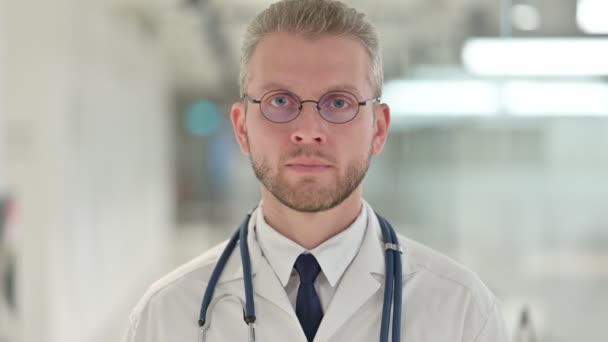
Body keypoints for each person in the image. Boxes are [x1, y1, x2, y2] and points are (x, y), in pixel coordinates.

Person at [124, 0, 508, 341]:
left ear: (378, 128)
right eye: (279, 100)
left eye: (338, 103)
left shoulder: (463, 315)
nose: (308, 131)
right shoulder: (165, 319)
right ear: (241, 128)